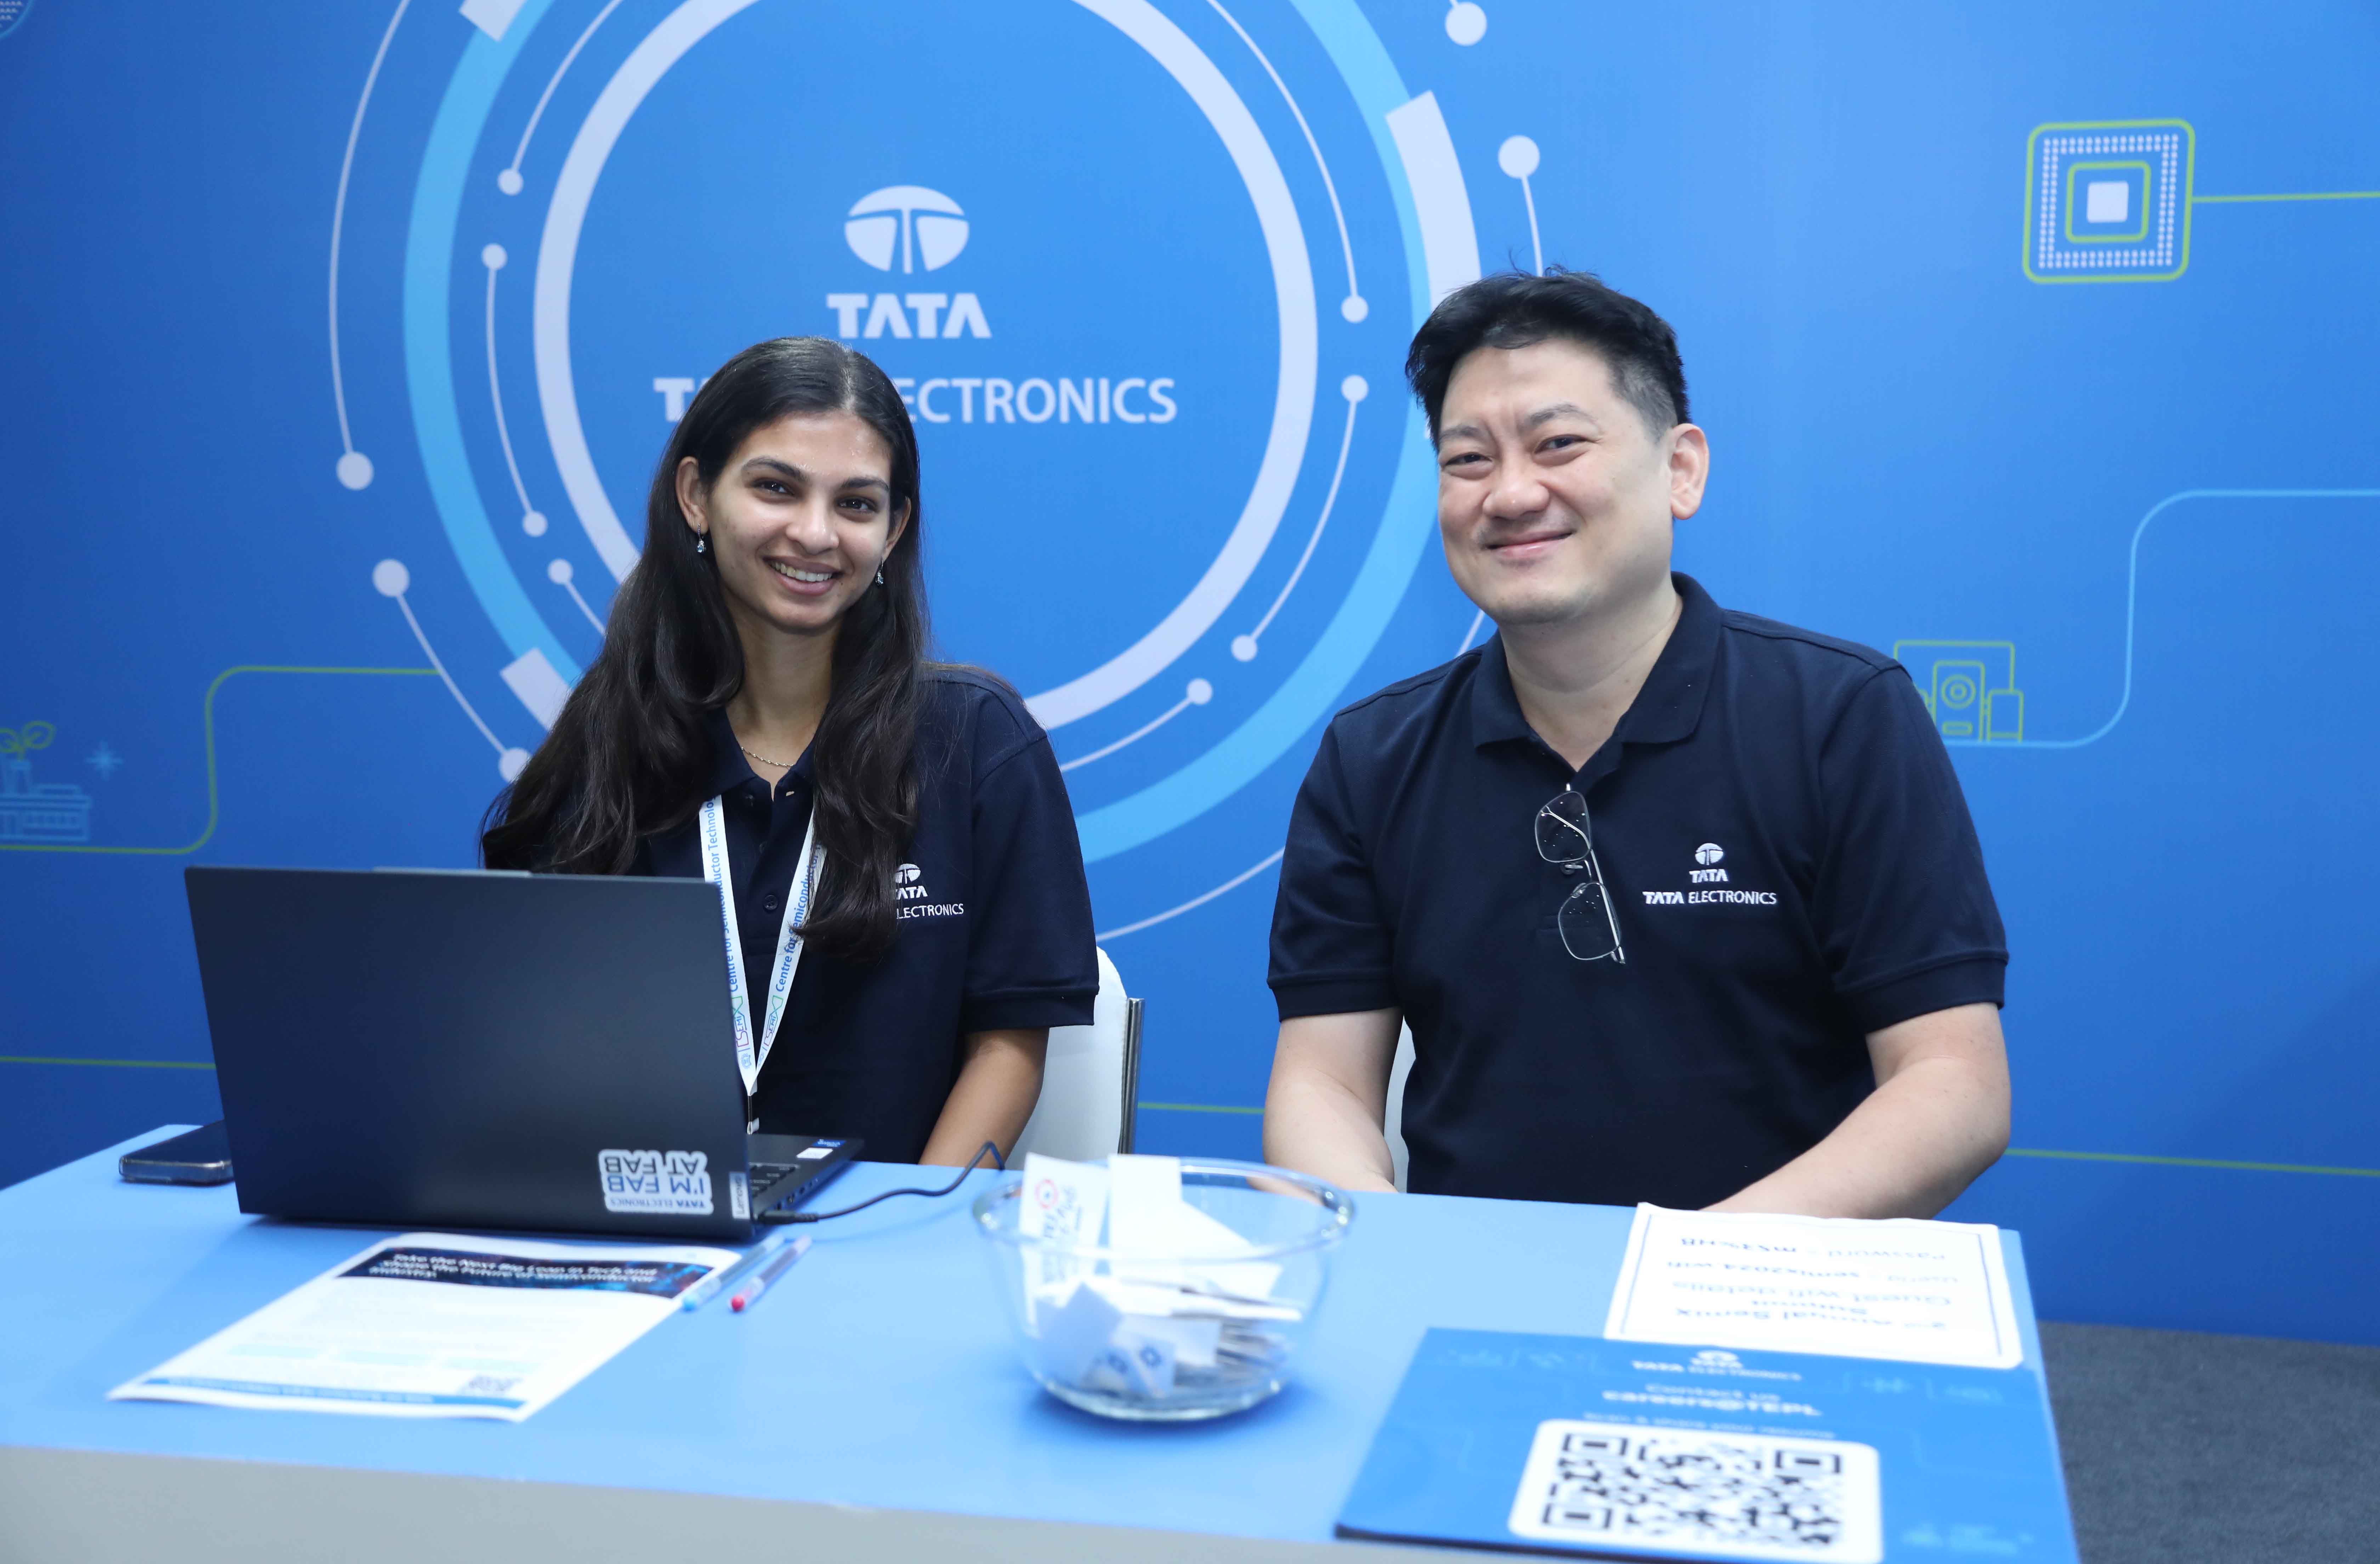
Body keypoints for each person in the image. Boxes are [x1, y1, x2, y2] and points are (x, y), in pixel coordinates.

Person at [1261, 271, 2010, 1216]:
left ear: (1680, 469)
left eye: (1558, 444)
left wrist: (1698, 1262)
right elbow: (1323, 1081)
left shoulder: (1840, 718)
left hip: (1767, 1279)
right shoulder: (1373, 759)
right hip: (1472, 1282)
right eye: (1468, 459)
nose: (1511, 493)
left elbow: (1953, 1083)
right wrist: (1378, 1230)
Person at [484, 337, 1097, 1166]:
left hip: (893, 1227)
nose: (814, 533)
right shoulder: (605, 742)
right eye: (776, 487)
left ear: (894, 528)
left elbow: (1010, 1045)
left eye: (856, 503)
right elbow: (537, 1032)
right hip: (647, 1222)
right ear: (697, 495)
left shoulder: (978, 740)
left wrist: (912, 1218)